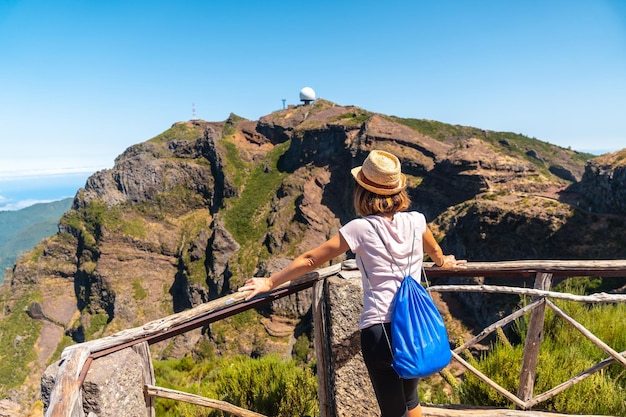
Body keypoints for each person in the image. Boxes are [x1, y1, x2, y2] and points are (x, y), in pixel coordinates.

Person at [239, 149, 466, 417]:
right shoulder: (417, 221)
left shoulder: (359, 229)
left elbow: (311, 260)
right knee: (410, 399)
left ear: (363, 191)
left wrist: (270, 281)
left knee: (393, 411)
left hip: (381, 331)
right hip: (414, 328)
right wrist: (445, 264)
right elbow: (436, 254)